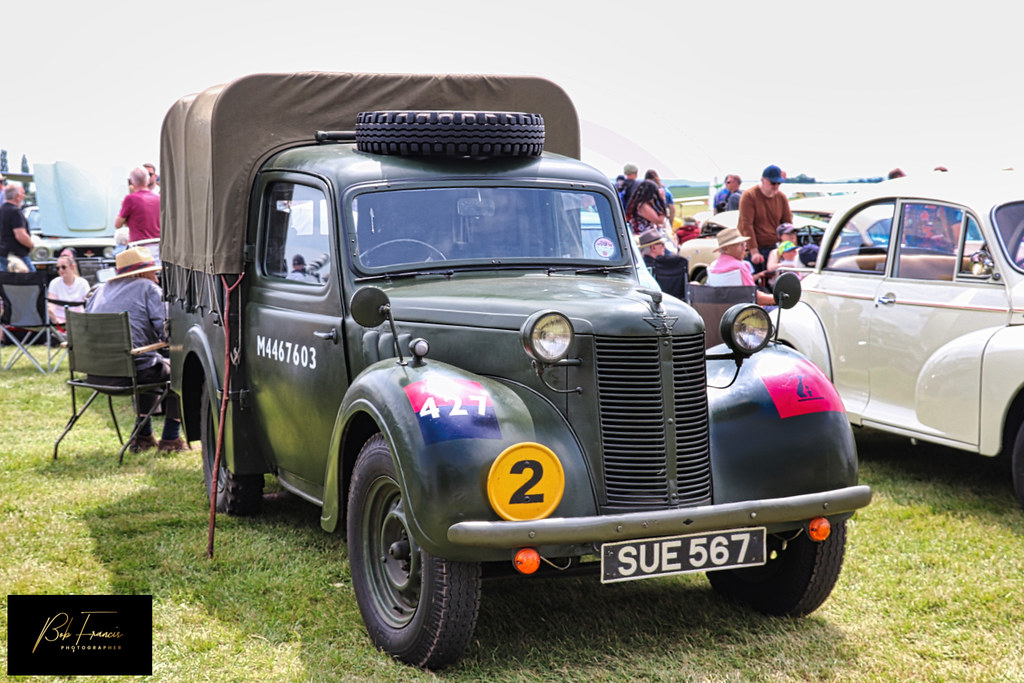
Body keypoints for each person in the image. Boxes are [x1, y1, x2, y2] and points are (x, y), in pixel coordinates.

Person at [86, 247, 187, 453]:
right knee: (181, 372)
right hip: (131, 374)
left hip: (96, 374)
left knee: (148, 361)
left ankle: (143, 437)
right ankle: (171, 439)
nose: (156, 279)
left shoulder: (99, 291)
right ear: (141, 274)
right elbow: (169, 331)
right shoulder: (148, 289)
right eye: (153, 273)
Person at [737, 165, 793, 275]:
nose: (776, 186)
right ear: (763, 180)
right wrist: (754, 251)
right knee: (753, 280)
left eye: (779, 183)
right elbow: (747, 225)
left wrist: (788, 248)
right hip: (752, 248)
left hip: (773, 247)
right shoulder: (749, 196)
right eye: (773, 183)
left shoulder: (781, 197)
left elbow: (787, 225)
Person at [706, 228, 774, 306]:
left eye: (744, 244)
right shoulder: (738, 266)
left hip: (720, 311)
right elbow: (755, 297)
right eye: (741, 245)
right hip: (745, 311)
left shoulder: (711, 267)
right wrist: (778, 298)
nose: (745, 248)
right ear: (726, 249)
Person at [115, 166, 161, 248]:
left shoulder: (130, 199)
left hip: (140, 247)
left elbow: (117, 224)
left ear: (131, 181)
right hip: (157, 245)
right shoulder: (158, 198)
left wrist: (123, 209)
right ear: (147, 180)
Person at [638, 228, 688, 300]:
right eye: (662, 244)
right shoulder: (676, 263)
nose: (664, 247)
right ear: (653, 248)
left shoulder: (640, 267)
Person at [0, 182, 35, 273]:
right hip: (17, 256)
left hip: (3, 254)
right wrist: (31, 245)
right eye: (23, 193)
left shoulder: (2, 210)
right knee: (30, 278)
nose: (24, 196)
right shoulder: (15, 212)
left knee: (6, 280)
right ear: (17, 196)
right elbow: (20, 235)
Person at [47, 253, 90, 325]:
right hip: (59, 321)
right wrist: (55, 321)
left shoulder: (83, 283)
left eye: (63, 267)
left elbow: (89, 303)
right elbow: (51, 305)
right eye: (58, 268)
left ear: (72, 266)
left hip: (79, 320)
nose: (60, 270)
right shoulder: (54, 283)